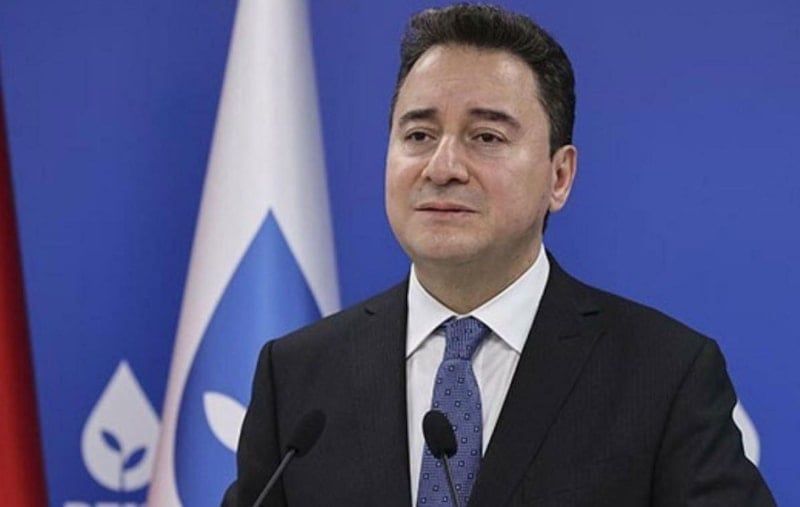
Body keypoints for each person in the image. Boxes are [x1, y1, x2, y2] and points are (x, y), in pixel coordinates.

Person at [224, 4, 775, 506]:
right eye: (418, 135)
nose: (442, 167)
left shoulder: (664, 375)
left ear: (559, 176)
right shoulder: (297, 376)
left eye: (485, 137)